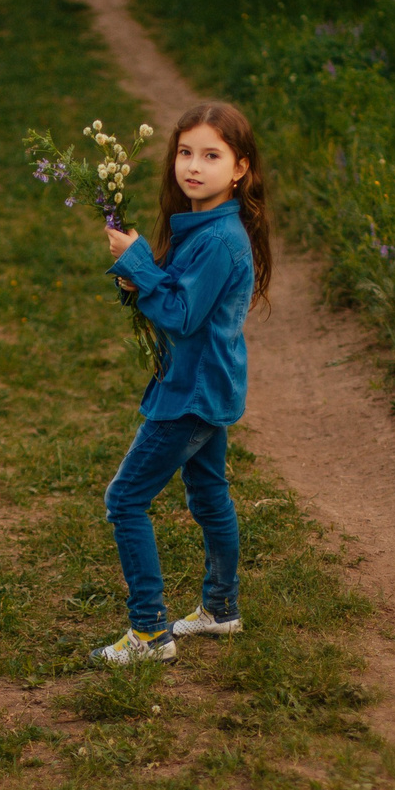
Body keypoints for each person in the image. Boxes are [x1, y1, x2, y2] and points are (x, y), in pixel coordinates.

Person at [92, 100, 273, 665]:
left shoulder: (221, 239)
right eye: (185, 153)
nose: (194, 166)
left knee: (125, 500)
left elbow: (183, 315)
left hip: (191, 393)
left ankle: (148, 633)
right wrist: (138, 279)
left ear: (240, 169)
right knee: (209, 493)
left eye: (211, 156)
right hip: (207, 384)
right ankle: (220, 609)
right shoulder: (203, 227)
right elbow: (175, 295)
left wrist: (139, 264)